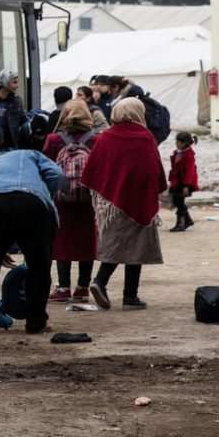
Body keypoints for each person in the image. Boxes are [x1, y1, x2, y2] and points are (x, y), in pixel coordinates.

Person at [0, 146, 64, 335]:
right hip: (32, 204)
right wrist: (44, 193)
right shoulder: (30, 154)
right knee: (39, 265)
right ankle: (36, 322)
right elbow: (57, 175)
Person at [81, 98, 166, 311]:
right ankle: (127, 295)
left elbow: (93, 170)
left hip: (110, 203)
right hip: (140, 199)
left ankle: (102, 282)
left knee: (116, 243)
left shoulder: (105, 138)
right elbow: (153, 169)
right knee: (136, 247)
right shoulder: (145, 137)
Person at [42, 100, 98, 303]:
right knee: (87, 240)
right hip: (87, 199)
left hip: (61, 198)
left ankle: (63, 287)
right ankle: (83, 287)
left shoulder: (54, 139)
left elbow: (46, 167)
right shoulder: (96, 140)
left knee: (62, 240)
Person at [169, 131, 200, 232]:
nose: (176, 144)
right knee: (177, 201)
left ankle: (181, 223)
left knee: (179, 202)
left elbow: (189, 172)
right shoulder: (178, 153)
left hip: (184, 184)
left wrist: (186, 186)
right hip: (177, 182)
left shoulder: (188, 156)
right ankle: (187, 220)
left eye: (178, 142)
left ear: (185, 143)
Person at [0, 70, 26, 149]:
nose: (17, 86)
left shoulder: (17, 100)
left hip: (11, 146)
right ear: (5, 83)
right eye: (14, 82)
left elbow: (23, 120)